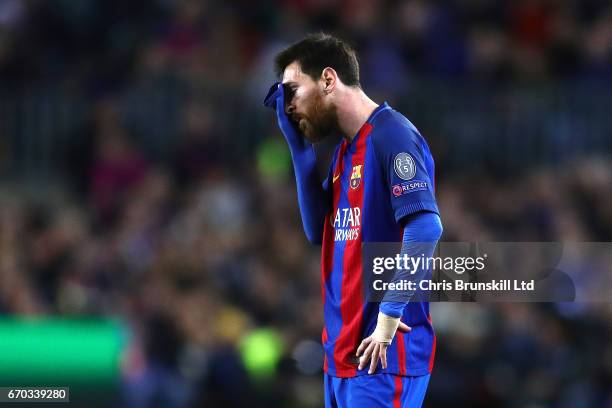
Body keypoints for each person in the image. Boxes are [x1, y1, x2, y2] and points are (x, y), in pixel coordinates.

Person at [264, 33, 443, 408]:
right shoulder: (346, 151)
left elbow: (426, 227)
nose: (288, 106)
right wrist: (299, 149)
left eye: (293, 91)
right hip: (344, 356)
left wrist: (389, 316)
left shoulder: (391, 134)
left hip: (383, 354)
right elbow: (318, 230)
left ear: (329, 80)